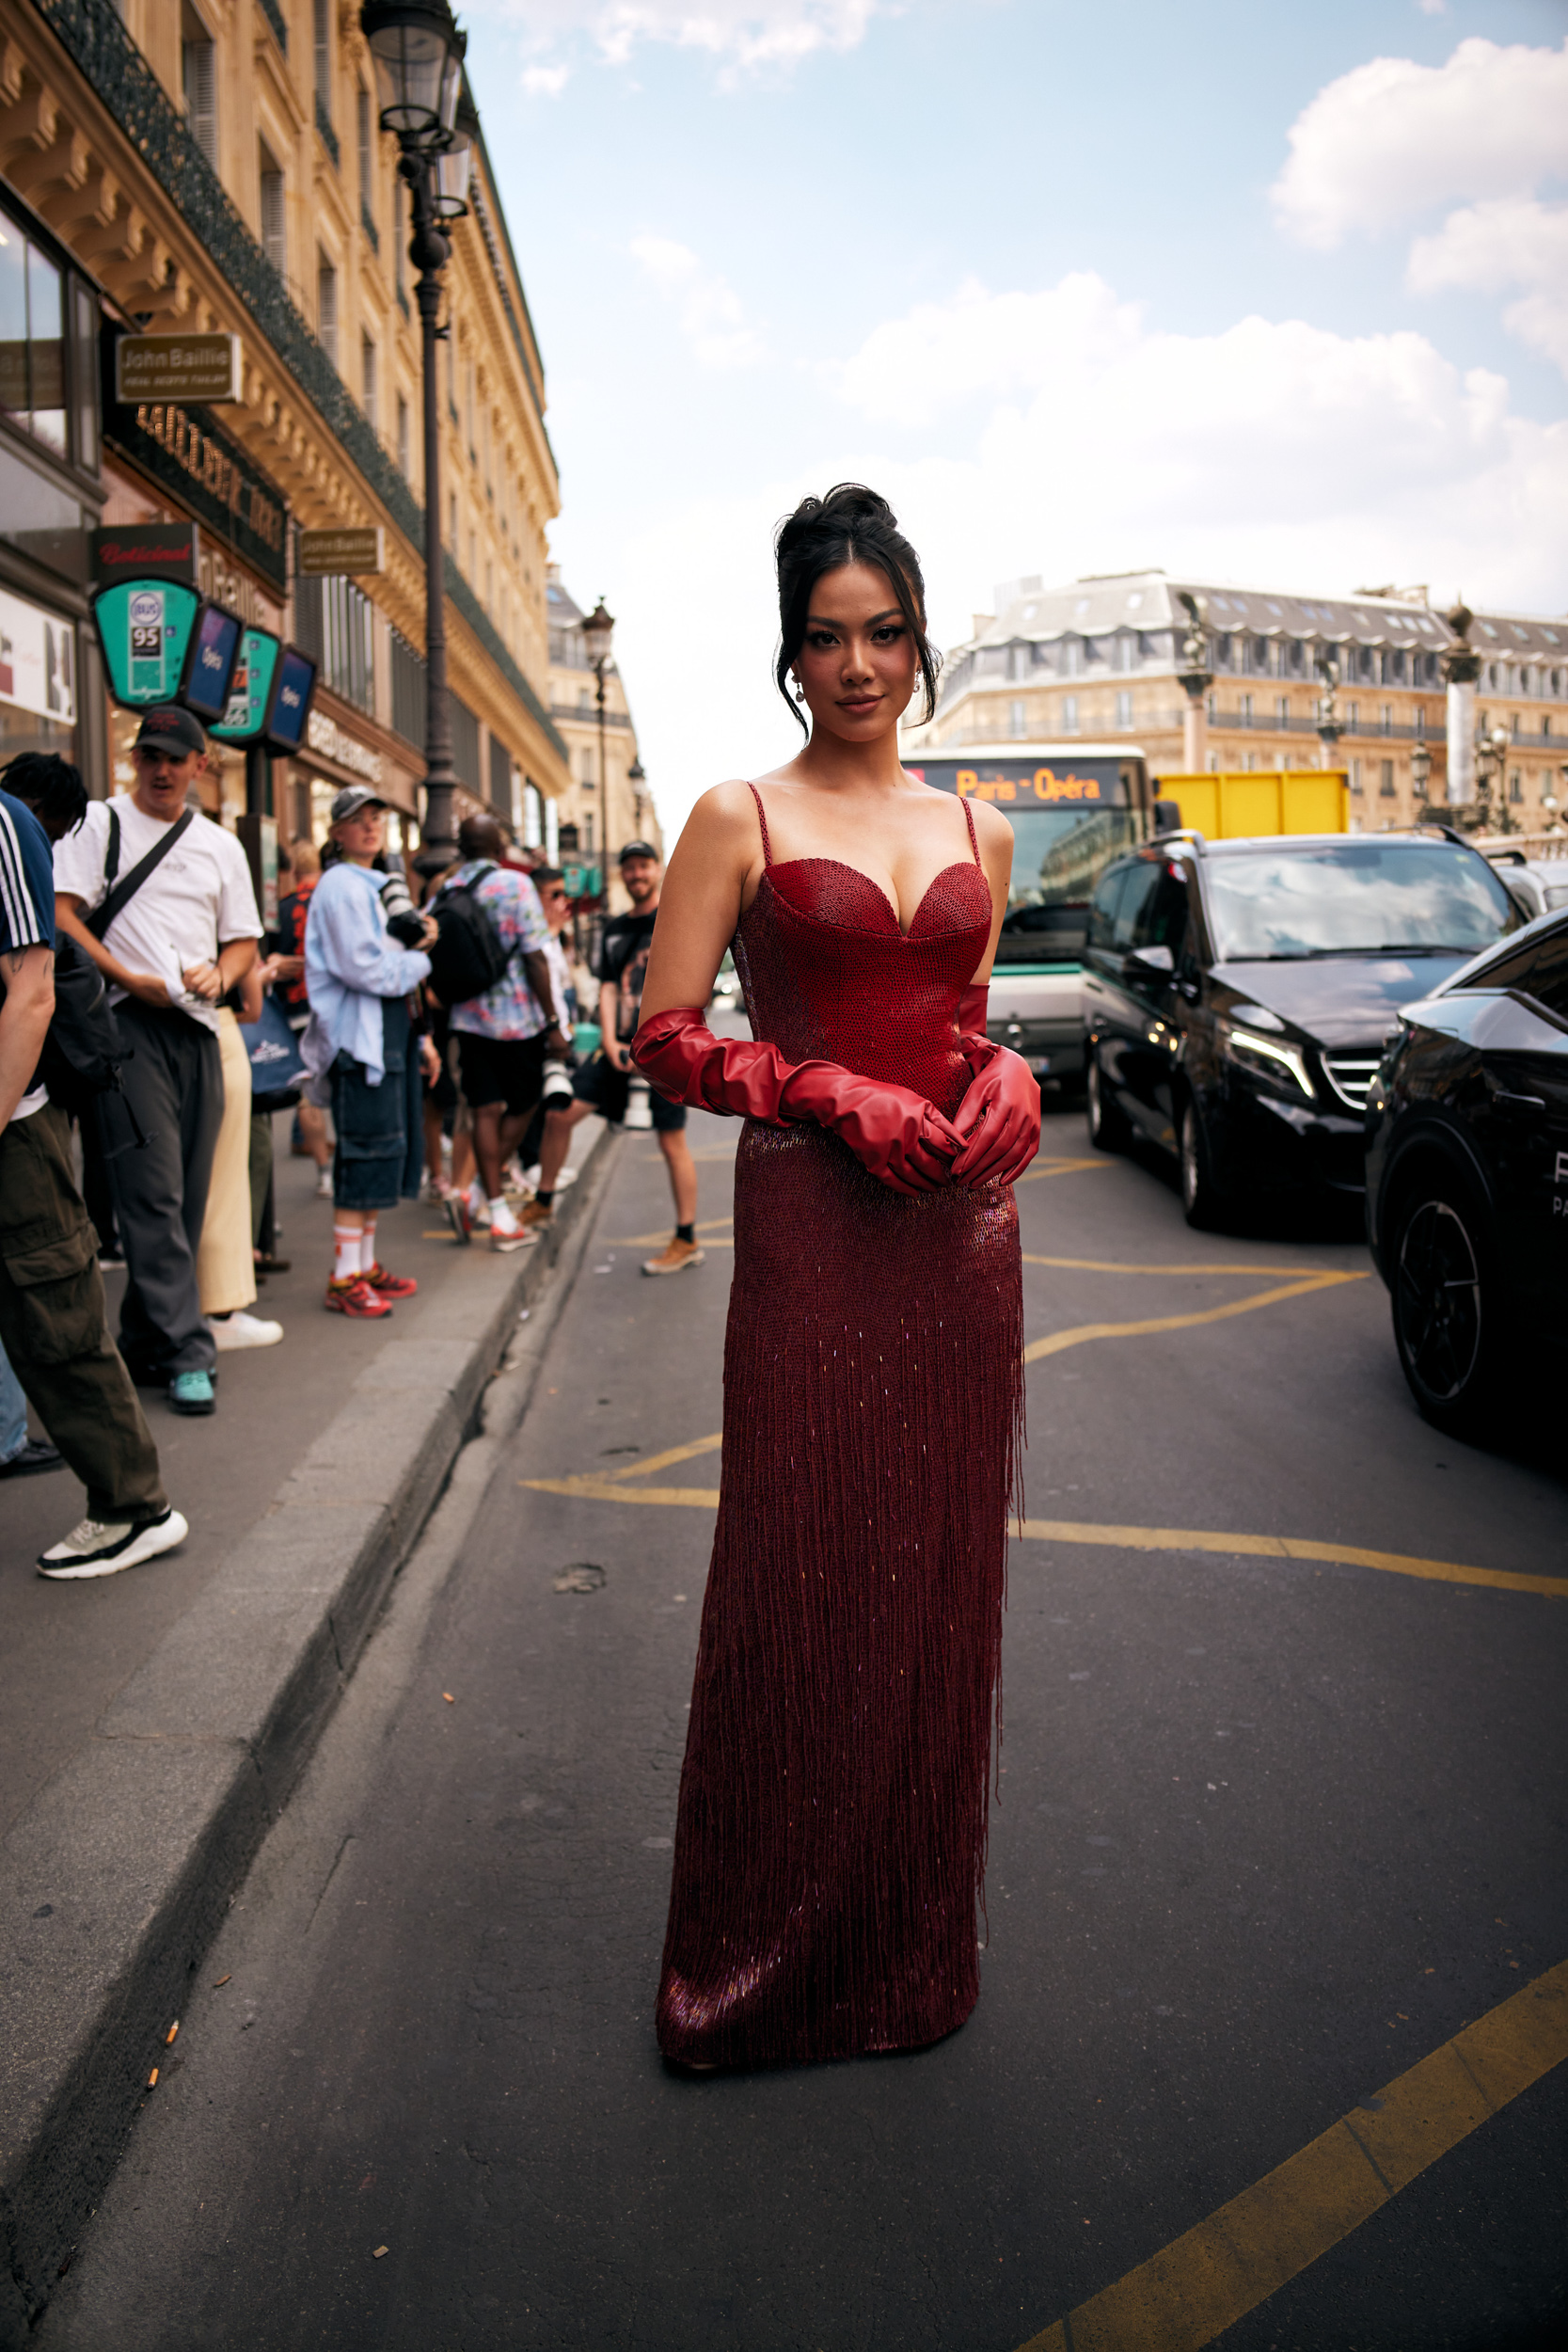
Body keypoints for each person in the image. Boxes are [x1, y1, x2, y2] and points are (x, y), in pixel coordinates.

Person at [629, 485, 1039, 2071]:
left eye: (882, 631)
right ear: (790, 653)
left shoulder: (975, 828)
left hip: (960, 1235)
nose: (856, 661)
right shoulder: (737, 813)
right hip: (810, 1229)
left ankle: (901, 1953)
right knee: (794, 1583)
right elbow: (659, 1036)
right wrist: (815, 1088)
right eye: (825, 634)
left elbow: (969, 1017)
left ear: (917, 640)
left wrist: (1005, 1082)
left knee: (934, 1595)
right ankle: (745, 1969)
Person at [0, 754, 187, 1577]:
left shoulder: (6, 824)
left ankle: (132, 1507)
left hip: (14, 1129)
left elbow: (32, 991)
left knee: (58, 1324)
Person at [53, 707, 262, 1416]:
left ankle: (145, 1340)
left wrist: (222, 977)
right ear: (132, 759)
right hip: (127, 1029)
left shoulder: (219, 846)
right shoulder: (98, 823)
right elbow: (60, 915)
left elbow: (242, 943)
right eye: (151, 756)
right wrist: (124, 976)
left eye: (176, 758)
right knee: (153, 1195)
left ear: (201, 765)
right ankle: (188, 1349)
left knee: (188, 1199)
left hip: (199, 1029)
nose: (162, 769)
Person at [532, 842, 701, 1275]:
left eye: (643, 865)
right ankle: (542, 1202)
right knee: (560, 1115)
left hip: (664, 1050)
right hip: (619, 1048)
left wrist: (662, 1041)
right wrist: (609, 1040)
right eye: (629, 867)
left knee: (671, 1142)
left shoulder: (677, 919)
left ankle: (686, 1239)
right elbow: (608, 986)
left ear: (656, 869)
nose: (636, 874)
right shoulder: (611, 929)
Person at [303, 786, 434, 1317]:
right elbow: (366, 968)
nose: (370, 826)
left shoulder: (372, 882)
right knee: (363, 1152)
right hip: (361, 1041)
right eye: (357, 820)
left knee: (383, 1149)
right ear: (336, 832)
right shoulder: (340, 886)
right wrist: (421, 959)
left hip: (384, 1035)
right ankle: (343, 1276)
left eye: (376, 817)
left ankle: (362, 1264)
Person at [429, 814, 569, 1253]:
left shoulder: (447, 891)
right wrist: (553, 1023)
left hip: (468, 1021)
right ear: (497, 846)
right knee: (525, 1106)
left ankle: (489, 1202)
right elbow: (535, 957)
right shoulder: (514, 885)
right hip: (518, 1021)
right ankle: (494, 1203)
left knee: (483, 1111)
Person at [268, 836, 333, 1198]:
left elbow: (270, 961)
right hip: (334, 1006)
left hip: (295, 1008)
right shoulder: (329, 903)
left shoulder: (282, 908)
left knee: (307, 1090)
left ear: (294, 871)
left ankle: (324, 1171)